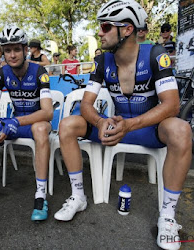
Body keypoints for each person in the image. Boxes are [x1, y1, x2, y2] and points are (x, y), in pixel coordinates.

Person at [54, 1, 191, 250]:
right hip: (115, 127)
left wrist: (131, 124)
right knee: (68, 125)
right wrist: (99, 120)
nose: (100, 32)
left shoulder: (155, 54)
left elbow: (171, 105)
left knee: (181, 130)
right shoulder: (101, 60)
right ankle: (78, 196)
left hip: (148, 129)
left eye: (106, 27)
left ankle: (168, 216)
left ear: (127, 30)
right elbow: (86, 105)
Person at [0, 25, 53, 222]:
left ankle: (40, 194)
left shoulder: (40, 71)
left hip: (35, 121)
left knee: (40, 128)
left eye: (16, 49)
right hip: (15, 122)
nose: (12, 55)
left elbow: (47, 112)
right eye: (7, 50)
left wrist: (14, 121)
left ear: (25, 50)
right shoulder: (2, 73)